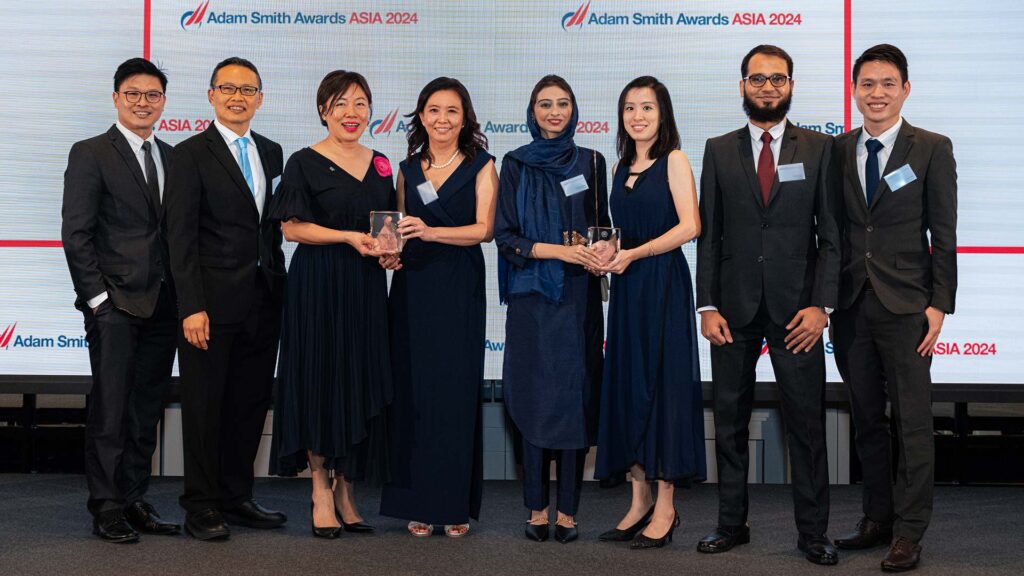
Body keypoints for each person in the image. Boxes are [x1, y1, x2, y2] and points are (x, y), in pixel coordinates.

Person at [695, 45, 840, 565]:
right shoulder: (717, 149)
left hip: (798, 311)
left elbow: (832, 236)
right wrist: (706, 306)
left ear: (791, 86)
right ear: (742, 86)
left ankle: (812, 533)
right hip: (731, 310)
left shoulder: (820, 149)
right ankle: (731, 523)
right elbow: (708, 236)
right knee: (730, 420)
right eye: (757, 79)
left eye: (777, 79)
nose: (767, 87)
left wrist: (822, 305)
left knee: (806, 423)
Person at [831, 44, 957, 573]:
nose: (876, 93)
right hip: (850, 305)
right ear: (854, 91)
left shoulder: (930, 147)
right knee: (865, 420)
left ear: (905, 89)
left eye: (887, 83)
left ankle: (909, 533)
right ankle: (876, 519)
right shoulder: (837, 151)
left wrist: (940, 305)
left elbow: (944, 234)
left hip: (908, 306)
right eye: (867, 84)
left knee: (911, 422)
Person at [268, 70, 394, 539]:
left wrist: (391, 252)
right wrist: (346, 236)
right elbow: (293, 229)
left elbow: (386, 227)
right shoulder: (303, 161)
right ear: (323, 110)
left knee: (356, 381)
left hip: (364, 287)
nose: (351, 113)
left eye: (360, 103)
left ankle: (347, 488)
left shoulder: (381, 163)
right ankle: (320, 487)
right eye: (340, 103)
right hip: (318, 285)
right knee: (321, 382)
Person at [165, 57, 287, 540]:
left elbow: (271, 228)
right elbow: (180, 237)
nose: (238, 97)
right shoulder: (189, 153)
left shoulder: (272, 152)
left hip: (264, 299)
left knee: (249, 405)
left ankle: (236, 496)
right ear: (211, 95)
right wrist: (190, 305)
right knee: (204, 406)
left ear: (261, 98)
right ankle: (201, 504)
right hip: (209, 306)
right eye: (228, 88)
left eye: (248, 89)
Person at [61, 57, 180, 543]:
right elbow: (76, 233)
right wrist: (97, 301)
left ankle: (133, 498)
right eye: (133, 93)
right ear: (115, 98)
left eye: (152, 95)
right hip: (113, 308)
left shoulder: (173, 156)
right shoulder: (91, 152)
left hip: (164, 304)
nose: (142, 102)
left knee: (145, 409)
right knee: (111, 410)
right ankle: (106, 505)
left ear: (164, 103)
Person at [379, 77, 498, 539]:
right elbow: (399, 231)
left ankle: (452, 505)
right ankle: (417, 502)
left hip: (459, 285)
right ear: (421, 116)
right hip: (414, 287)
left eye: (452, 111)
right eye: (433, 110)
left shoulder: (484, 165)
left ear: (465, 117)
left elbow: (484, 229)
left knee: (453, 392)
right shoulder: (406, 169)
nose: (442, 119)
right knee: (414, 393)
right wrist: (391, 252)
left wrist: (429, 232)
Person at [494, 75, 609, 544]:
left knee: (574, 403)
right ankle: (536, 508)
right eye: (545, 104)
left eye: (563, 103)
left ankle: (569, 511)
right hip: (533, 299)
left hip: (579, 300)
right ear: (532, 111)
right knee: (535, 400)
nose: (554, 112)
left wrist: (603, 252)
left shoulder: (594, 161)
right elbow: (506, 237)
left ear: (574, 109)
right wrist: (557, 253)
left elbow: (603, 227)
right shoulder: (516, 163)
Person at [595, 76, 705, 549]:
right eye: (629, 108)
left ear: (663, 114)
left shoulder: (674, 160)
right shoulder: (620, 166)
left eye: (647, 108)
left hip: (662, 283)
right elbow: (622, 231)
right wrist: (607, 249)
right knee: (630, 387)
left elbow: (691, 225)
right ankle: (638, 502)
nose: (638, 116)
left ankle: (666, 507)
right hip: (627, 289)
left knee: (663, 389)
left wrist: (636, 254)